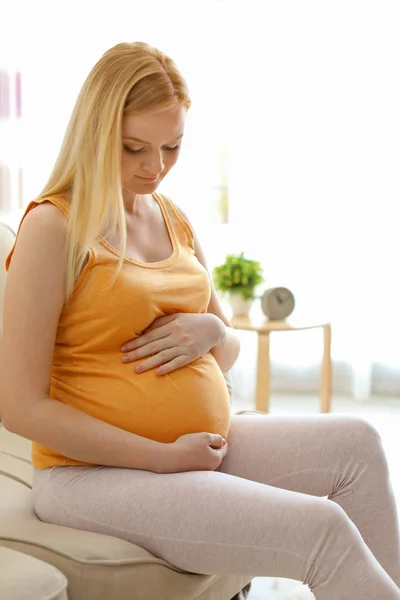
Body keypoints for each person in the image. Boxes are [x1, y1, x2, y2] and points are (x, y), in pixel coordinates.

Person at [0, 42, 399, 600]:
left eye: (172, 147)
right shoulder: (53, 228)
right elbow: (18, 405)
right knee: (321, 532)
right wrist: (163, 459)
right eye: (134, 147)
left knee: (358, 444)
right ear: (95, 132)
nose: (154, 167)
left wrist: (215, 331)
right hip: (88, 475)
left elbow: (224, 351)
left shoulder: (171, 217)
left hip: (194, 445)